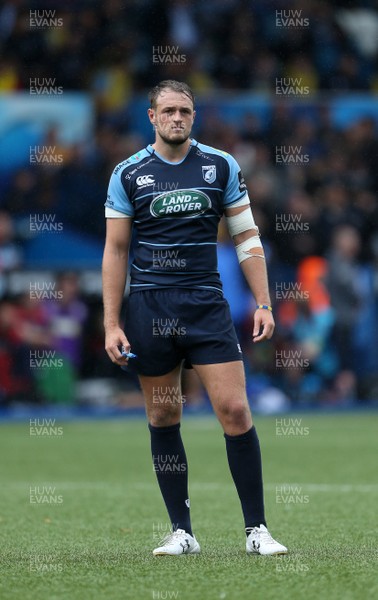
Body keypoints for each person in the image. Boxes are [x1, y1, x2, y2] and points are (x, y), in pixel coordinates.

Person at [102, 80, 287, 556]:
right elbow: (116, 249)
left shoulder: (220, 165)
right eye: (168, 110)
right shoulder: (128, 173)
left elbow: (246, 238)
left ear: (194, 115)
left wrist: (264, 301)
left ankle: (257, 531)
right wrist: (111, 322)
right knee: (164, 413)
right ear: (152, 116)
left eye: (185, 110)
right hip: (149, 306)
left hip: (206, 306)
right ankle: (182, 532)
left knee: (236, 411)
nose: (177, 118)